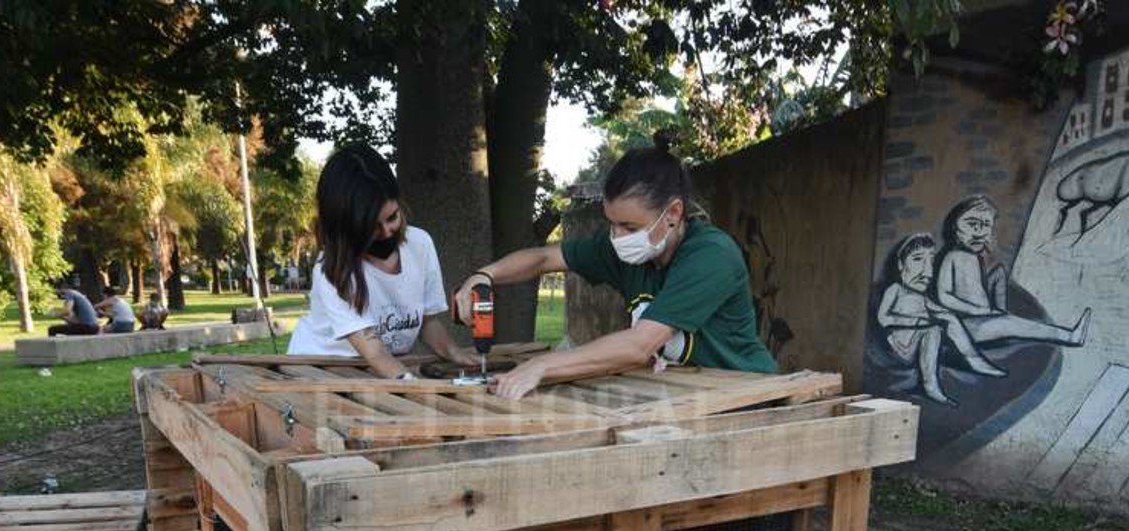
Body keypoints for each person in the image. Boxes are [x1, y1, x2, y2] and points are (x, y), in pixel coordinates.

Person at [452, 130, 777, 399]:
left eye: (630, 228)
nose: (618, 237)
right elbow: (542, 257)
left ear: (674, 213)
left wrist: (543, 365)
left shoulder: (711, 257)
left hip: (750, 394)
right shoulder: (623, 249)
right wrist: (484, 275)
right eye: (613, 224)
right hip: (693, 392)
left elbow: (639, 346)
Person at [286, 144, 480, 378]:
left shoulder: (420, 244)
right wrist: (411, 384)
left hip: (382, 367)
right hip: (321, 369)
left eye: (392, 217)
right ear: (346, 228)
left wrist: (453, 352)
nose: (387, 232)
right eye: (372, 228)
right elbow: (374, 351)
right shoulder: (330, 268)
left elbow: (428, 322)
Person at [934, 195, 1089, 346]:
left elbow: (975, 290)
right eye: (971, 223)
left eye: (986, 224)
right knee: (1014, 324)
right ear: (955, 228)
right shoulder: (952, 257)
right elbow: (944, 296)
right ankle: (1069, 336)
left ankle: (1002, 314)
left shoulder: (975, 258)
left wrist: (993, 308)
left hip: (983, 319)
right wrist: (976, 310)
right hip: (966, 327)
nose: (978, 230)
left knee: (999, 273)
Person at [876, 234, 1002, 406]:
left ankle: (974, 359)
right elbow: (883, 318)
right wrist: (915, 321)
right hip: (900, 342)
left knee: (947, 318)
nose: (927, 271)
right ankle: (930, 385)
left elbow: (941, 311)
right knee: (932, 330)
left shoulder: (923, 297)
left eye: (931, 262)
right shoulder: (895, 290)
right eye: (918, 259)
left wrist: (958, 313)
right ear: (901, 265)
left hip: (919, 339)